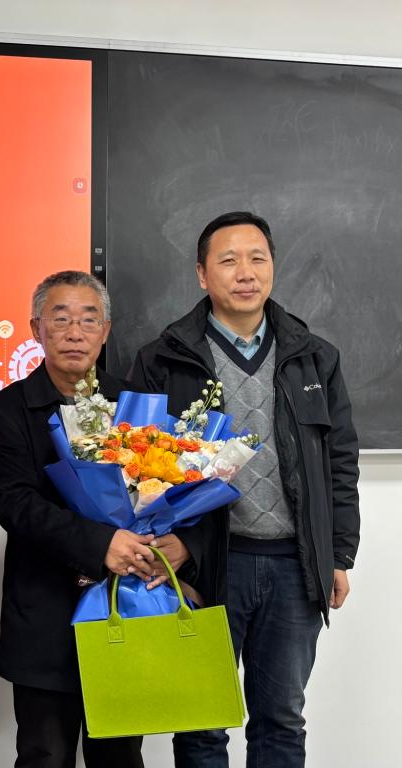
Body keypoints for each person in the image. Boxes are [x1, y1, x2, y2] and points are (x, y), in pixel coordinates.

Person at [129, 211, 360, 767]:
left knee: (281, 720)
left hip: (293, 565)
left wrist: (337, 554)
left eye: (258, 258)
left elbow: (340, 461)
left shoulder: (314, 356)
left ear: (273, 266)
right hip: (207, 564)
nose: (246, 273)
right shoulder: (163, 359)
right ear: (202, 274)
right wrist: (174, 546)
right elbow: (135, 467)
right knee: (201, 723)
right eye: (228, 260)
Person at [0, 270, 149, 768]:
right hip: (44, 615)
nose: (75, 332)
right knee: (44, 756)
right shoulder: (5, 411)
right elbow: (16, 505)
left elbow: (164, 489)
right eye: (60, 319)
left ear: (106, 330)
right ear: (36, 329)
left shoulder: (135, 407)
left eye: (88, 319)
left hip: (124, 608)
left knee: (119, 757)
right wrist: (101, 544)